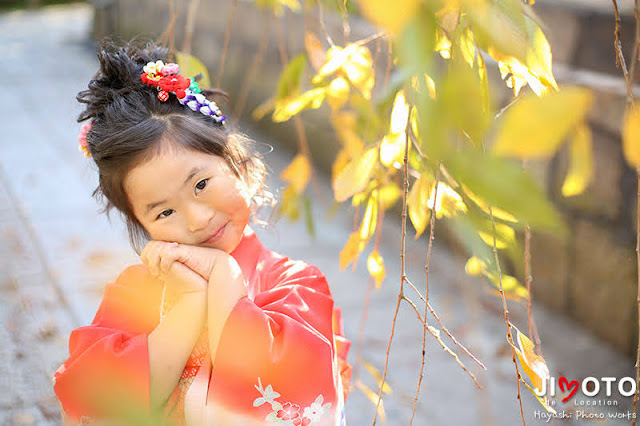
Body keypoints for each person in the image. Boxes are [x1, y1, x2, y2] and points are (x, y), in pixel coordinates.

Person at [53, 39, 351, 426]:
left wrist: (223, 278)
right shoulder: (134, 290)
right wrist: (192, 301)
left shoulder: (297, 283)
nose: (194, 220)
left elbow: (295, 388)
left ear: (238, 163)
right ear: (141, 225)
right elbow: (93, 397)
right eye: (164, 212)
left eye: (200, 184)